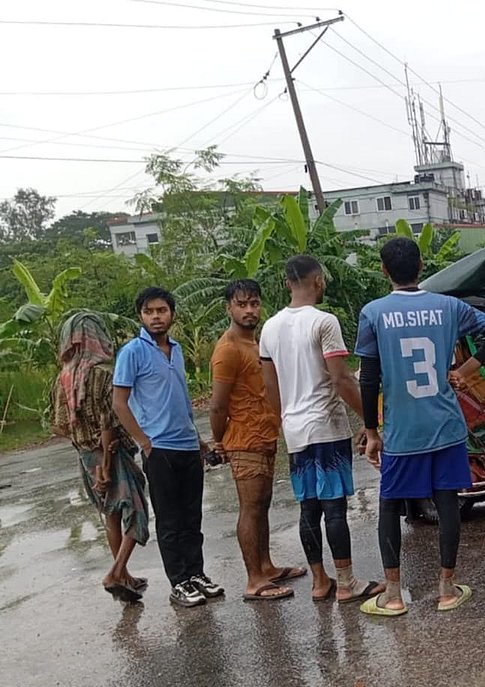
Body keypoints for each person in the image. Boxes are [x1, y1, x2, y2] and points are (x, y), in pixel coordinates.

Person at [356, 236, 485, 617]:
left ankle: (393, 595)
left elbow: (369, 378)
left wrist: (371, 432)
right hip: (445, 426)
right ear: (421, 266)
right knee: (447, 502)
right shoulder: (449, 307)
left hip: (403, 431)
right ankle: (447, 589)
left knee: (390, 505)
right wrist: (464, 371)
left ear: (384, 270)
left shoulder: (373, 313)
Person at [258, 255, 383, 605]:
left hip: (295, 430)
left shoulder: (269, 328)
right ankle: (346, 582)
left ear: (287, 283)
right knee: (334, 508)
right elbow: (341, 379)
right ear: (318, 281)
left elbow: (271, 387)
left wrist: (284, 420)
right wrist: (370, 422)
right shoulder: (324, 322)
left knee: (309, 508)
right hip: (326, 426)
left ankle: (319, 580)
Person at [113, 287, 223, 608]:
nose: (156, 317)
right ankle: (179, 582)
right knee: (170, 520)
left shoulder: (176, 350)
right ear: (140, 316)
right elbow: (120, 403)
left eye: (161, 310)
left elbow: (183, 401)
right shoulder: (132, 352)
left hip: (187, 446)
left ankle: (196, 574)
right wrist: (144, 442)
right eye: (149, 312)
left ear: (172, 313)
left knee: (192, 517)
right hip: (159, 449)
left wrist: (199, 441)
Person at [209, 279, 307, 603]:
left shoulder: (254, 343)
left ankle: (266, 565)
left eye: (254, 303)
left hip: (264, 435)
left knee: (262, 504)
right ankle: (254, 580)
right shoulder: (228, 349)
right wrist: (219, 441)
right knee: (250, 508)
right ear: (229, 308)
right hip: (243, 439)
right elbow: (217, 405)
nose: (249, 310)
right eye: (242, 304)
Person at [49, 310, 150, 605]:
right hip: (110, 454)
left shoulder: (62, 379)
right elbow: (110, 422)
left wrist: (87, 451)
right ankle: (116, 573)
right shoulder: (104, 374)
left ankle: (125, 574)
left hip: (85, 456)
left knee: (111, 515)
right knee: (137, 510)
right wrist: (106, 462)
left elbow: (60, 425)